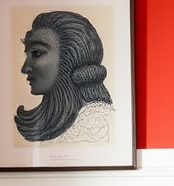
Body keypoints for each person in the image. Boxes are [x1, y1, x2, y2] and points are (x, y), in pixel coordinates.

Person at [15, 10, 113, 144]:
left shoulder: (95, 123)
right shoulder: (53, 123)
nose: (25, 68)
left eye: (37, 53)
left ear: (71, 55)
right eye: (28, 55)